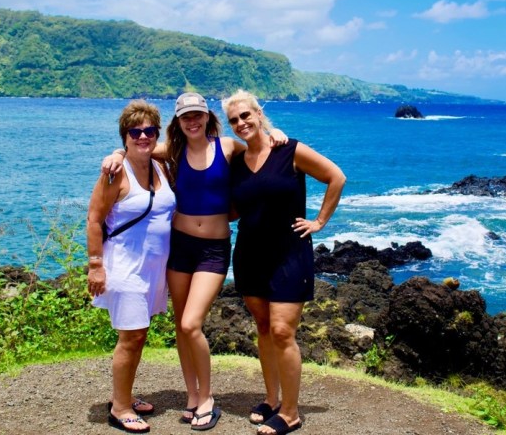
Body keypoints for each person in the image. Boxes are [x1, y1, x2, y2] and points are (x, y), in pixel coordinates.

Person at [102, 92, 287, 431]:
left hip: (214, 250)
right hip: (180, 246)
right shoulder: (172, 151)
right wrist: (113, 154)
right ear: (178, 122)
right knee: (180, 326)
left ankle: (207, 398)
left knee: (191, 324)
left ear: (207, 117)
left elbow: (260, 152)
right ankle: (191, 396)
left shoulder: (228, 148)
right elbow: (134, 148)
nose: (192, 121)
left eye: (197, 115)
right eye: (185, 116)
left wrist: (273, 134)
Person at [221, 89, 346, 435]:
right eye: (234, 120)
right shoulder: (237, 164)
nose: (241, 123)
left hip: (290, 253)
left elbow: (336, 177)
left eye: (246, 115)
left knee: (281, 331)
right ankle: (271, 398)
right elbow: (234, 207)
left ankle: (290, 412)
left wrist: (319, 222)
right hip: (249, 253)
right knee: (263, 328)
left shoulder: (290, 149)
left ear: (259, 113)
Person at [87, 100, 176, 434]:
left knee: (139, 335)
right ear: (125, 135)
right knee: (132, 336)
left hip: (152, 269)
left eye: (149, 130)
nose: (143, 136)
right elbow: (94, 218)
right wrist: (95, 266)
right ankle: (120, 407)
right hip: (124, 266)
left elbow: (189, 143)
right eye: (134, 131)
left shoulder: (160, 165)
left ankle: (122, 395)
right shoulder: (115, 172)